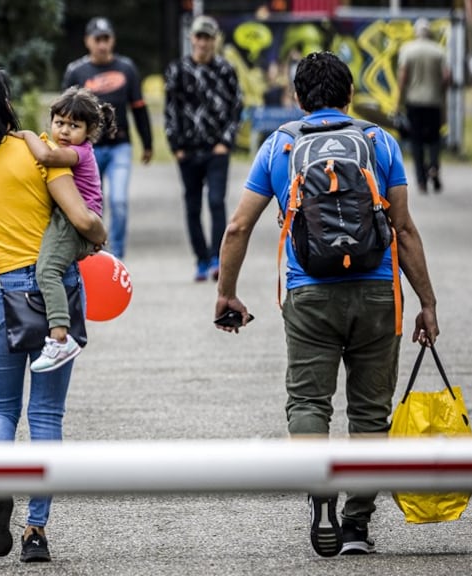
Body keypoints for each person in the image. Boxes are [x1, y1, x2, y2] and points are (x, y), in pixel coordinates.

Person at [215, 51, 439, 557]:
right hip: (378, 291)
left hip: (308, 292)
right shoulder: (379, 142)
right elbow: (402, 228)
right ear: (350, 95)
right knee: (370, 412)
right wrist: (427, 302)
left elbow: (237, 227)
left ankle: (322, 501)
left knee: (309, 403)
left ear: (298, 98)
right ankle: (357, 525)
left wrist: (226, 292)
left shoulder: (280, 144)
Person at [0, 68, 107, 563]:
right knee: (46, 413)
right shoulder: (35, 154)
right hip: (53, 292)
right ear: (3, 105)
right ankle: (35, 529)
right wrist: (99, 233)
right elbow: (81, 218)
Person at [10, 87, 116, 373]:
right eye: (60, 123)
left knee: (47, 270)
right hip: (71, 220)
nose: (65, 131)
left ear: (90, 130)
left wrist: (27, 135)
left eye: (74, 126)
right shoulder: (71, 148)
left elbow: (45, 158)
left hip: (75, 220)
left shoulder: (77, 152)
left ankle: (59, 336)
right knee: (50, 268)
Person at [62, 16, 153, 261]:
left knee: (119, 201)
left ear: (112, 40)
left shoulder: (126, 68)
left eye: (106, 39)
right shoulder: (76, 71)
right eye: (97, 39)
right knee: (88, 204)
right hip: (86, 150)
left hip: (119, 146)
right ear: (87, 41)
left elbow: (139, 107)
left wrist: (148, 143)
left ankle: (116, 256)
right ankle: (90, 253)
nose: (102, 44)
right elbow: (63, 114)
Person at [164, 15, 242, 282]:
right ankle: (201, 259)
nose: (203, 43)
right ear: (192, 38)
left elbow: (236, 108)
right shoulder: (178, 70)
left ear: (214, 40)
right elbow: (170, 110)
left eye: (208, 37)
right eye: (199, 37)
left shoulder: (225, 70)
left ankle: (217, 258)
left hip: (216, 149)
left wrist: (226, 141)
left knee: (216, 201)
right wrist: (176, 146)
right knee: (193, 206)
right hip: (188, 150)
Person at [397, 17, 451, 193]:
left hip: (414, 102)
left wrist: (398, 102)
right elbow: (446, 76)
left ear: (416, 32)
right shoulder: (439, 51)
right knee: (434, 139)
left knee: (417, 141)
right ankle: (434, 167)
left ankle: (421, 180)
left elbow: (403, 77)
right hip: (434, 101)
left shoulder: (407, 50)